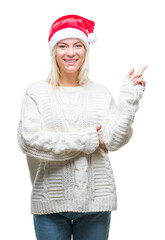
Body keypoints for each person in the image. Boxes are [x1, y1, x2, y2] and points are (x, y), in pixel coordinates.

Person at [17, 14, 147, 240]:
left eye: (78, 45)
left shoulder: (100, 94)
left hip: (95, 202)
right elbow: (30, 141)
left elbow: (113, 141)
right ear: (53, 51)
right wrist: (88, 140)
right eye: (63, 46)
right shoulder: (36, 92)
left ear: (86, 51)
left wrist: (129, 99)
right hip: (50, 204)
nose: (70, 52)